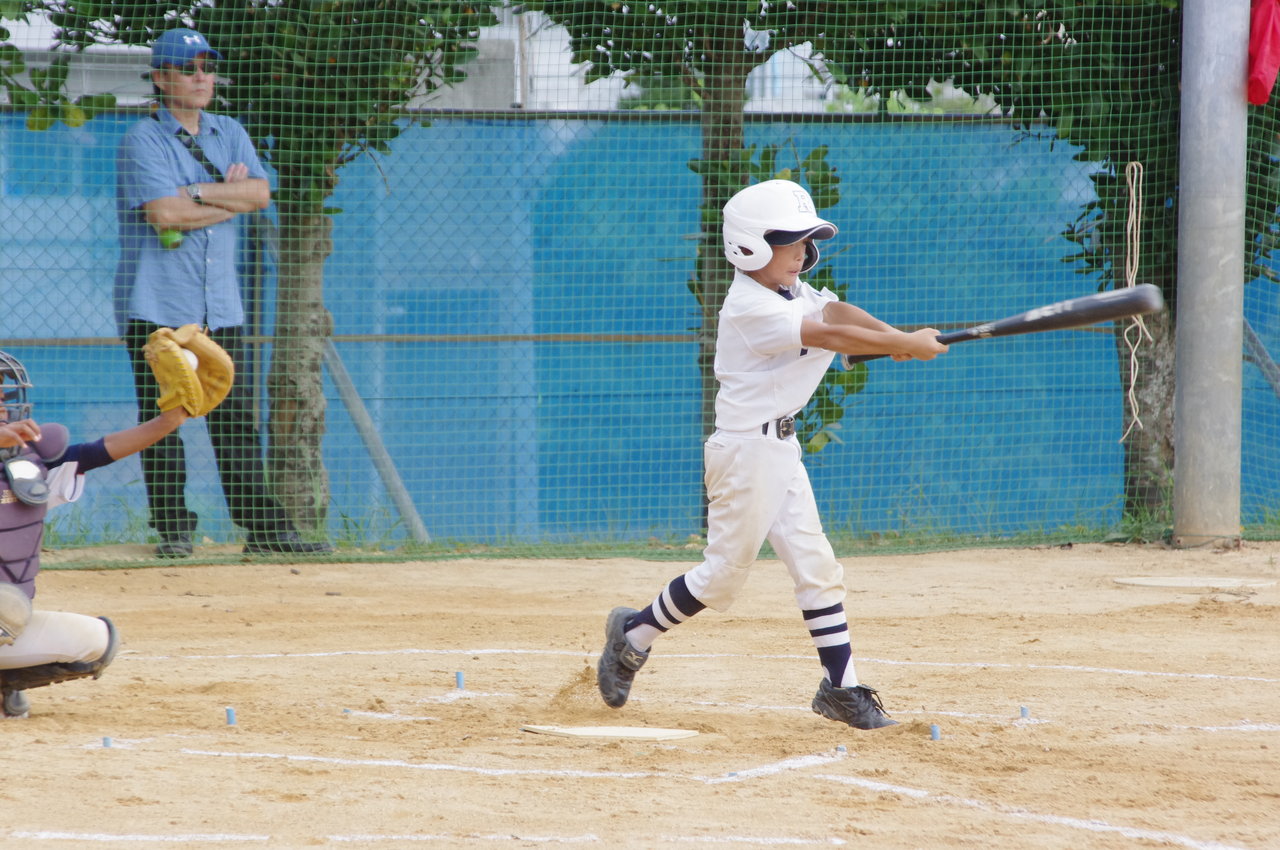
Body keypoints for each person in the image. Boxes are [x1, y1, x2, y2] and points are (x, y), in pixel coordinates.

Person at [596, 179, 949, 730]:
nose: (802, 253)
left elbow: (838, 317)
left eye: (806, 242)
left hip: (780, 448)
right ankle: (632, 635)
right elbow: (828, 338)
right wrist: (901, 344)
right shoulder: (749, 307)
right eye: (788, 242)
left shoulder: (791, 293)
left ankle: (842, 688)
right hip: (744, 453)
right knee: (720, 579)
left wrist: (897, 338)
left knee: (818, 568)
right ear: (749, 246)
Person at [114, 27, 332, 558]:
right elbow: (164, 214)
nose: (201, 77)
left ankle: (264, 532)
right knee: (165, 418)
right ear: (162, 79)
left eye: (207, 67)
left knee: (234, 421)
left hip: (220, 305)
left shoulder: (229, 130)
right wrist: (225, 200)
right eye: (188, 69)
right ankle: (174, 531)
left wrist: (196, 192)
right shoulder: (144, 139)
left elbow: (259, 192)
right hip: (158, 304)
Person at [0, 348, 193, 717]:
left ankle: (4, 684)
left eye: (5, 399)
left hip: (5, 624)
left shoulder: (28, 466)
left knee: (95, 641)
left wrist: (169, 421)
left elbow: (99, 451)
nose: (5, 408)